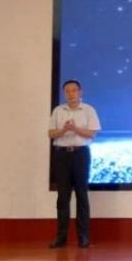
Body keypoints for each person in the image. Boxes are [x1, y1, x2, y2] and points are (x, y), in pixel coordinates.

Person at [48, 79, 101, 249]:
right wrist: (64, 130)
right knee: (63, 197)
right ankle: (61, 237)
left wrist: (75, 129)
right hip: (62, 155)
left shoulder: (88, 110)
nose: (71, 94)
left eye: (74, 90)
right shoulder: (58, 111)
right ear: (64, 93)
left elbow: (92, 133)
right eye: (68, 91)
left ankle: (83, 236)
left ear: (80, 92)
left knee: (81, 195)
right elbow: (51, 133)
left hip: (81, 154)